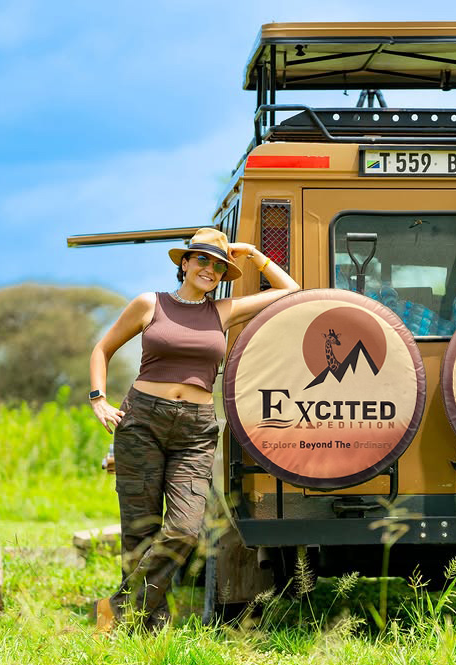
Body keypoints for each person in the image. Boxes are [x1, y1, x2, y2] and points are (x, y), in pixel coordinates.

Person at [88, 227, 299, 631]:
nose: (210, 269)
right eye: (202, 259)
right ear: (184, 263)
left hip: (196, 431)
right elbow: (103, 348)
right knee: (140, 531)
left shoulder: (222, 311)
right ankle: (150, 627)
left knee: (184, 529)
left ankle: (116, 610)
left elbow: (290, 290)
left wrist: (253, 253)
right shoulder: (150, 304)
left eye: (219, 265)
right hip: (142, 422)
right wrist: (98, 398)